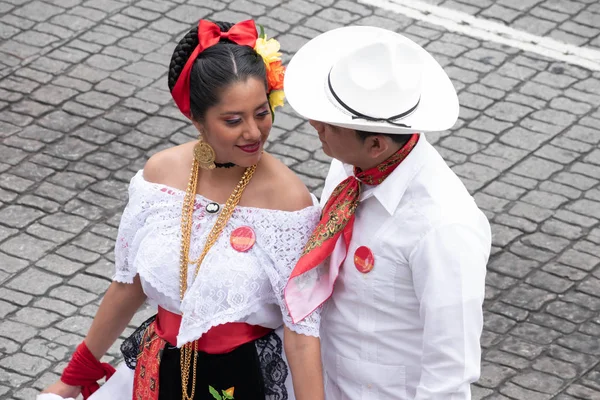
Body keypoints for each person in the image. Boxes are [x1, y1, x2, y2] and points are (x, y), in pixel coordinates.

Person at [40, 19, 324, 400]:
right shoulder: (159, 176)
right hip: (158, 373)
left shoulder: (290, 203)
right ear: (197, 120)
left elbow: (302, 332)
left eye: (261, 112)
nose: (254, 132)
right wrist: (75, 376)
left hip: (245, 381)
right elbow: (128, 284)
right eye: (233, 120)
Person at [283, 26, 492, 399]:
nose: (315, 126)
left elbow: (451, 373)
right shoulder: (349, 164)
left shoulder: (444, 228)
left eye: (329, 125)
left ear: (377, 144)